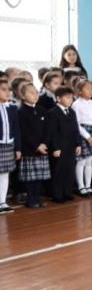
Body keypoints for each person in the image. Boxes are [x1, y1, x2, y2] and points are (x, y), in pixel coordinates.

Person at [17, 82, 50, 208]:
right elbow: (24, 133)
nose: (35, 95)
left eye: (36, 92)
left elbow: (47, 129)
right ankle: (31, 200)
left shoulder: (41, 110)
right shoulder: (21, 112)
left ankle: (38, 198)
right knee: (31, 178)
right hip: (30, 150)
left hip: (43, 148)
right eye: (31, 93)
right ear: (22, 96)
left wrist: (44, 143)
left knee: (40, 176)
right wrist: (36, 145)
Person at [46, 86, 81, 203]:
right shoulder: (53, 113)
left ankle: (67, 192)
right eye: (67, 97)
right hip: (60, 147)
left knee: (69, 170)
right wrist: (55, 148)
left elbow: (76, 129)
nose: (70, 100)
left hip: (70, 146)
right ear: (58, 98)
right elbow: (52, 132)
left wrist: (78, 144)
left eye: (71, 97)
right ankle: (57, 194)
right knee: (58, 171)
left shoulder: (72, 112)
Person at [0, 77, 21, 214]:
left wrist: (17, 148)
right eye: (3, 90)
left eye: (8, 90)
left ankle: (2, 201)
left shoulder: (12, 108)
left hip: (8, 145)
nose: (7, 92)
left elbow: (16, 129)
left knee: (5, 174)